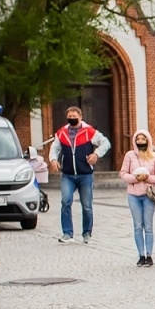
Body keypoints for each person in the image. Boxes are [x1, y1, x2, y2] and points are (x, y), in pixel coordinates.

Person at [49, 105, 111, 244]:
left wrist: (96, 154)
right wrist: (53, 159)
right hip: (68, 174)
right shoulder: (62, 133)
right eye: (69, 117)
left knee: (87, 205)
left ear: (80, 117)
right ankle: (67, 233)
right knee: (65, 202)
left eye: (74, 117)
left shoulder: (89, 131)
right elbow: (55, 148)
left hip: (85, 174)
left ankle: (87, 233)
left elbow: (105, 143)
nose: (72, 119)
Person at [119, 130, 155, 267]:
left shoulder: (154, 156)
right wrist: (135, 178)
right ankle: (141, 255)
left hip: (148, 194)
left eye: (143, 139)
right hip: (133, 195)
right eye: (138, 139)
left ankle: (149, 255)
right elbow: (123, 173)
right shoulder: (130, 155)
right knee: (138, 226)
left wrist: (147, 178)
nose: (141, 141)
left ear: (148, 140)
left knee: (148, 226)